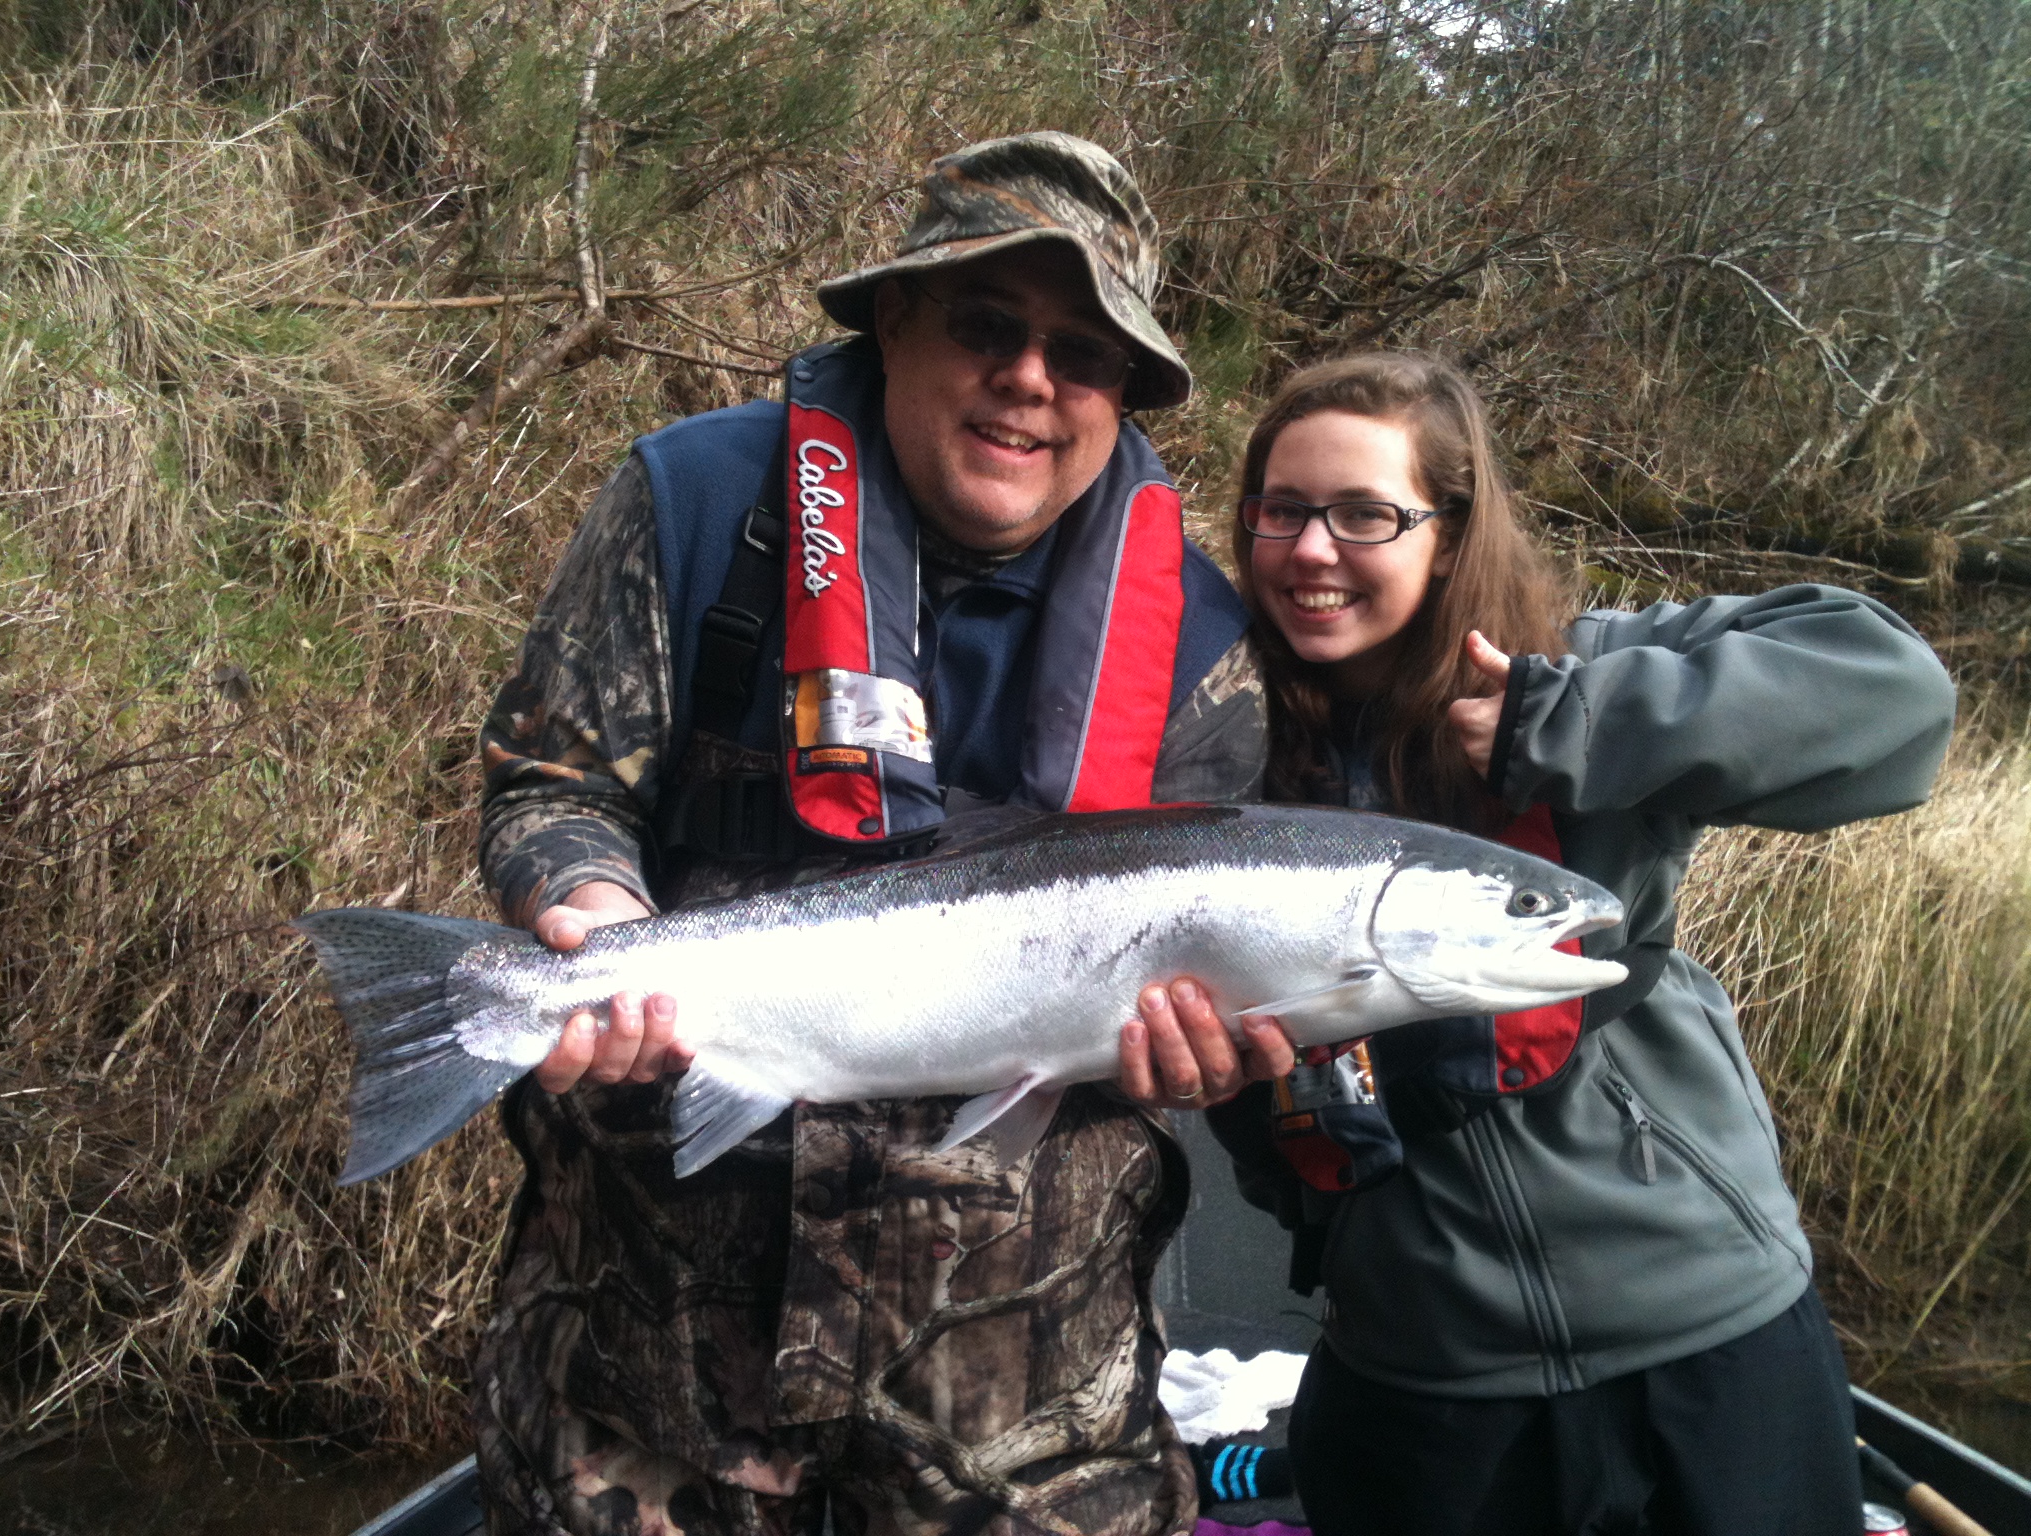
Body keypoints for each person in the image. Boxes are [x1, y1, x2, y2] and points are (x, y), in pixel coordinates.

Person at [471, 131, 1295, 1536]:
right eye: (986, 325)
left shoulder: (1200, 643)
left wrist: (1210, 1058)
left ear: (1120, 393)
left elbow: (1189, 1023)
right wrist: (590, 902)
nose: (1029, 378)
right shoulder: (693, 506)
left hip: (1022, 1425)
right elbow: (551, 782)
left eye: (1081, 354)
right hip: (649, 1373)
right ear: (894, 320)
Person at [1188, 353, 1957, 1534]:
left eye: (1364, 515)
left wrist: (1573, 725)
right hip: (1420, 1372)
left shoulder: (1583, 671)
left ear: (1447, 534)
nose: (1310, 551)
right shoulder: (1214, 763)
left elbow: (1894, 692)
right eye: (1280, 511)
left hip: (1705, 1341)